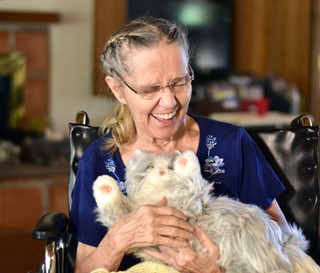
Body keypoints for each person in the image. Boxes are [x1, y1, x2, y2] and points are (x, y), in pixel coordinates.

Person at [70, 17, 288, 273]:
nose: (169, 102)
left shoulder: (232, 144)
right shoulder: (97, 161)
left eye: (179, 82)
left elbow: (281, 241)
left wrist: (217, 270)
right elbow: (84, 269)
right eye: (150, 89)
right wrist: (120, 238)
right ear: (118, 89)